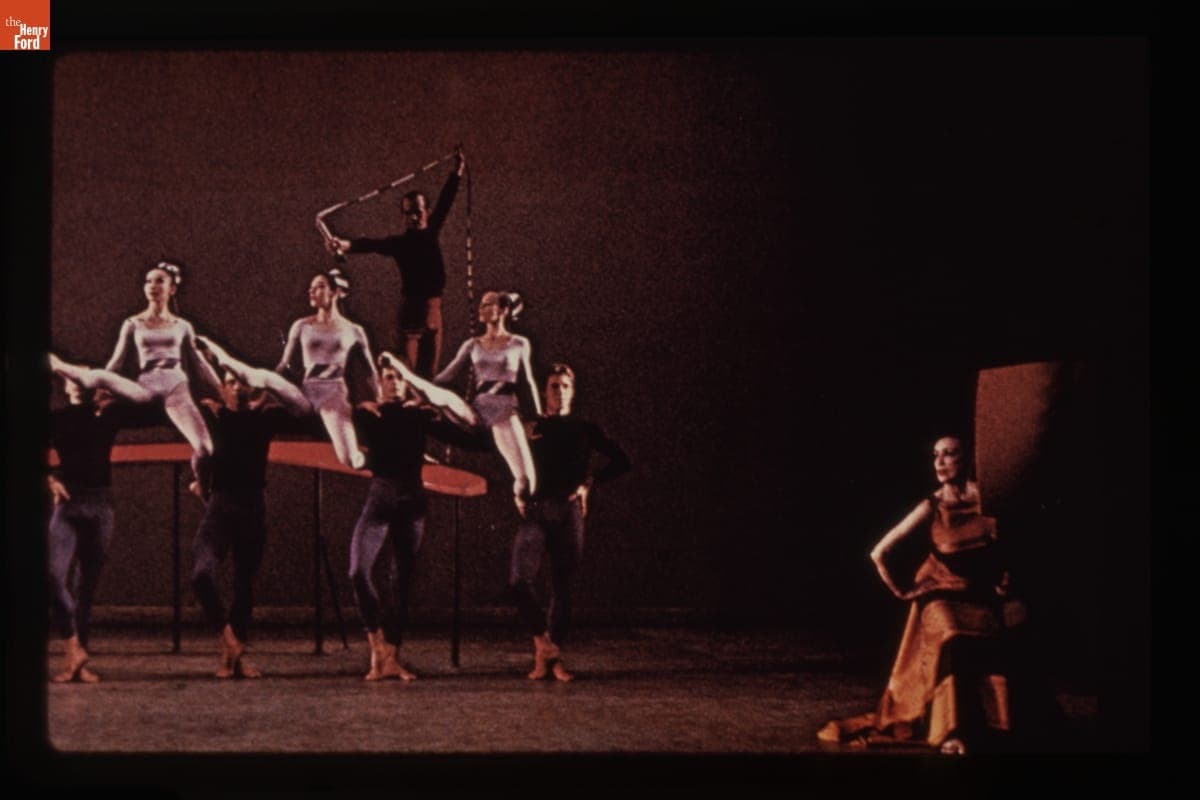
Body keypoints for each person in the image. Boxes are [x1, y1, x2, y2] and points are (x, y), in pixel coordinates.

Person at [818, 435, 1022, 754]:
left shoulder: (989, 500)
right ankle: (951, 732)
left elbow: (1008, 549)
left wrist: (1006, 582)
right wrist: (904, 590)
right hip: (940, 593)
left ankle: (995, 725)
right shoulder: (932, 505)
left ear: (966, 459)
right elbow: (878, 552)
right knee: (953, 635)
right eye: (935, 455)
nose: (939, 462)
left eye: (949, 454)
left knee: (997, 637)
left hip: (979, 594)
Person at [348, 352, 487, 681]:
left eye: (399, 377)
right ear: (379, 385)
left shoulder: (419, 416)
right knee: (358, 571)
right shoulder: (368, 415)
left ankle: (392, 656)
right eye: (388, 377)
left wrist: (499, 430)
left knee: (402, 581)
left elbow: (467, 439)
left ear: (406, 382)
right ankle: (376, 647)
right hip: (380, 498)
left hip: (411, 502)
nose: (394, 382)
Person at [187, 337, 312, 679]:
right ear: (222, 388)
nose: (236, 386)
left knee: (244, 585)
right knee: (200, 574)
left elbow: (303, 409)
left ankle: (235, 658)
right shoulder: (213, 414)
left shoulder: (264, 418)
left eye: (242, 381)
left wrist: (267, 385)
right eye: (229, 381)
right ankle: (228, 641)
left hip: (252, 507)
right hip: (220, 507)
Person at [510, 363, 631, 681]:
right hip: (536, 511)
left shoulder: (584, 429)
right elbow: (509, 459)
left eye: (565, 386)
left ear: (572, 391)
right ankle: (543, 646)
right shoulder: (530, 427)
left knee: (562, 589)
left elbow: (622, 461)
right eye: (553, 386)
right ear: (545, 391)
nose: (559, 392)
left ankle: (553, 659)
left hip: (568, 513)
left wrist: (589, 482)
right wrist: (517, 488)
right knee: (519, 581)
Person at [54, 261, 222, 489]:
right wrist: (103, 392)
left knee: (205, 450)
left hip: (175, 386)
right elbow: (117, 360)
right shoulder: (132, 323)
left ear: (172, 288)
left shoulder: (183, 325)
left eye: (159, 281)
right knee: (99, 376)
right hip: (145, 386)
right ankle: (55, 364)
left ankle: (200, 486)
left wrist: (221, 391)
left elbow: (199, 363)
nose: (152, 285)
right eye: (148, 281)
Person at [46, 367, 163, 684]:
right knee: (52, 577)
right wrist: (49, 478)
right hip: (69, 505)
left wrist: (112, 388)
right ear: (66, 386)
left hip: (100, 506)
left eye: (88, 378)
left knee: (85, 588)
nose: (80, 382)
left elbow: (153, 405)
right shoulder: (56, 419)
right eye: (74, 378)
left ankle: (77, 662)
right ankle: (73, 649)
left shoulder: (108, 417)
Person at [325, 150, 466, 377]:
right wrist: (345, 245)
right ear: (403, 216)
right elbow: (371, 244)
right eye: (408, 213)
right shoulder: (400, 244)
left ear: (426, 213)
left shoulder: (432, 230)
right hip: (412, 311)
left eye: (418, 212)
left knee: (429, 374)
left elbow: (446, 201)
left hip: (434, 312)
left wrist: (457, 173)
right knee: (407, 374)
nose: (413, 217)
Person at [434, 291, 541, 509]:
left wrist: (539, 416)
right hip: (478, 410)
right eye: (481, 304)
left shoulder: (519, 343)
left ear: (502, 310)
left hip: (505, 411)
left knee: (526, 481)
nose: (481, 309)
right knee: (442, 399)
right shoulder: (472, 345)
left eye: (487, 304)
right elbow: (446, 375)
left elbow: (528, 381)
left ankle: (522, 500)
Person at [276, 267, 379, 470]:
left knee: (349, 460)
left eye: (319, 286)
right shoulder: (301, 325)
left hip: (333, 394)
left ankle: (373, 458)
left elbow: (370, 371)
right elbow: (283, 364)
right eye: (311, 287)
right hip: (305, 392)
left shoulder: (354, 330)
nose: (312, 291)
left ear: (334, 292)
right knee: (263, 384)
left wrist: (381, 401)